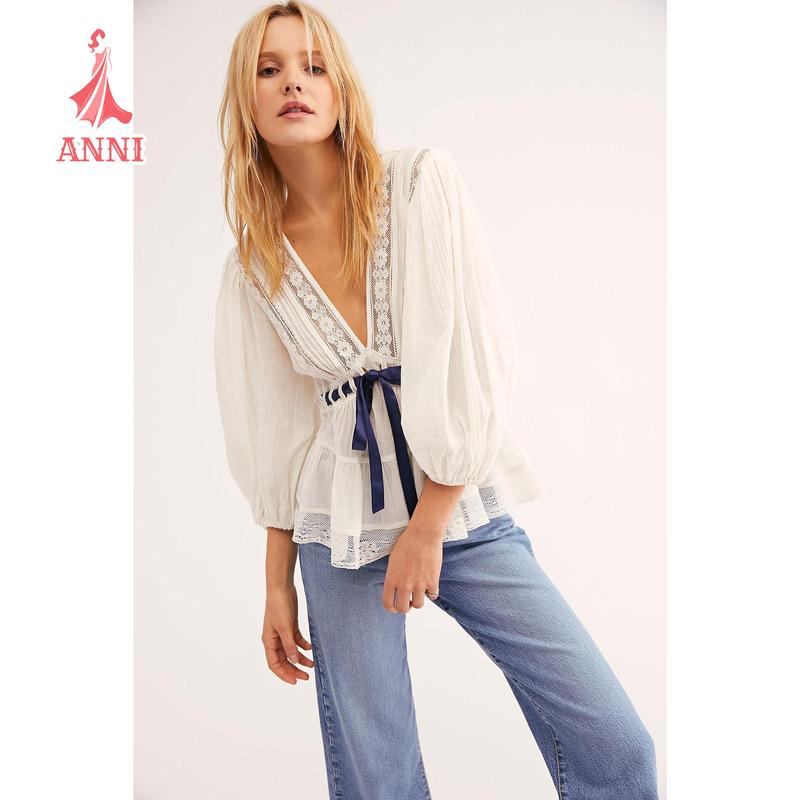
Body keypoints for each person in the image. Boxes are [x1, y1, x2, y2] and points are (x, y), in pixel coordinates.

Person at [214, 3, 660, 798]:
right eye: (269, 69)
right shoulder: (255, 263)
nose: (293, 84)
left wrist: (428, 525)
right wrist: (277, 582)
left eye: (314, 66)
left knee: (616, 744)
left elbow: (472, 358)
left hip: (458, 513)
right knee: (378, 778)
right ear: (245, 101)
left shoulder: (417, 184)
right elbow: (278, 432)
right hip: (339, 530)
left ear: (342, 88)